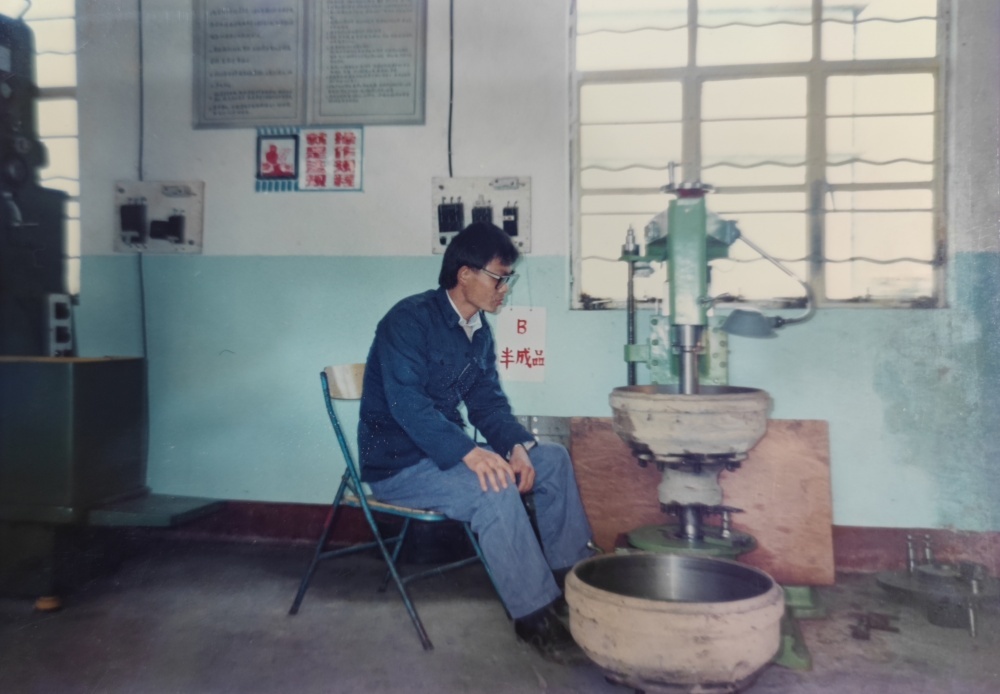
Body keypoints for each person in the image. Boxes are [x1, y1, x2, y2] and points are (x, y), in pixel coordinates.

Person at [358, 221, 594, 663]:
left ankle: (568, 588)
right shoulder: (408, 321)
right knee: (494, 487)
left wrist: (516, 446)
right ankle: (535, 617)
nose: (505, 289)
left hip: (443, 458)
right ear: (464, 274)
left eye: (508, 279)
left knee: (553, 460)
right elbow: (408, 406)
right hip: (398, 464)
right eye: (499, 278)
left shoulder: (478, 332)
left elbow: (487, 403)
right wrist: (471, 452)